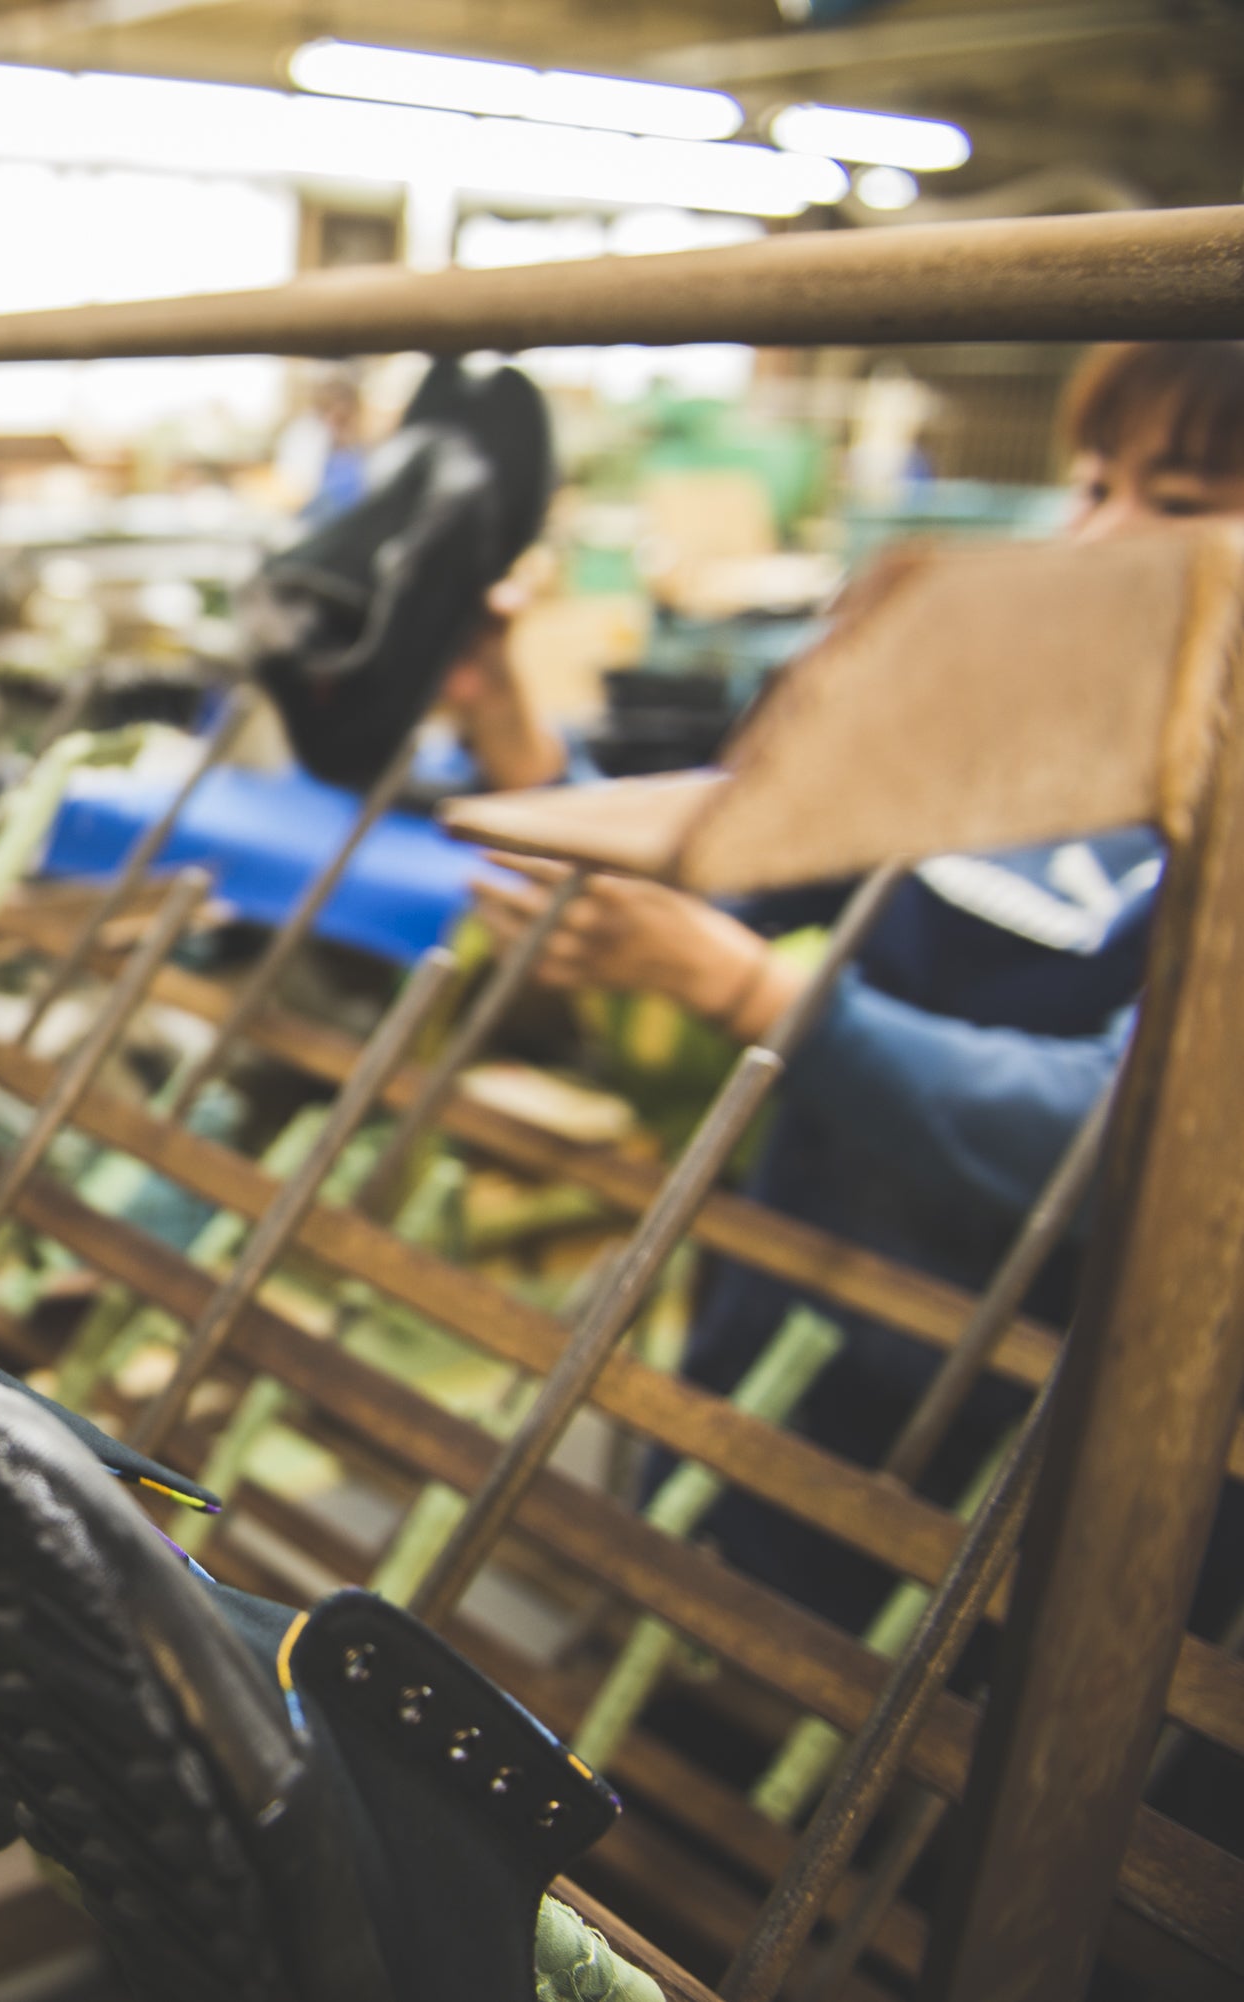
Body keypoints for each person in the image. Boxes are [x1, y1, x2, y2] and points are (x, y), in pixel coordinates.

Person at [446, 340, 1244, 1661]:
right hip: (795, 1337)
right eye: (1095, 485)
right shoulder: (1004, 732)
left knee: (907, 1744)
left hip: (1028, 1447)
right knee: (693, 1672)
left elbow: (1115, 1141)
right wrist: (511, 723)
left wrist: (746, 987)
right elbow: (734, 854)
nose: (1099, 540)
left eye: (1179, 501)